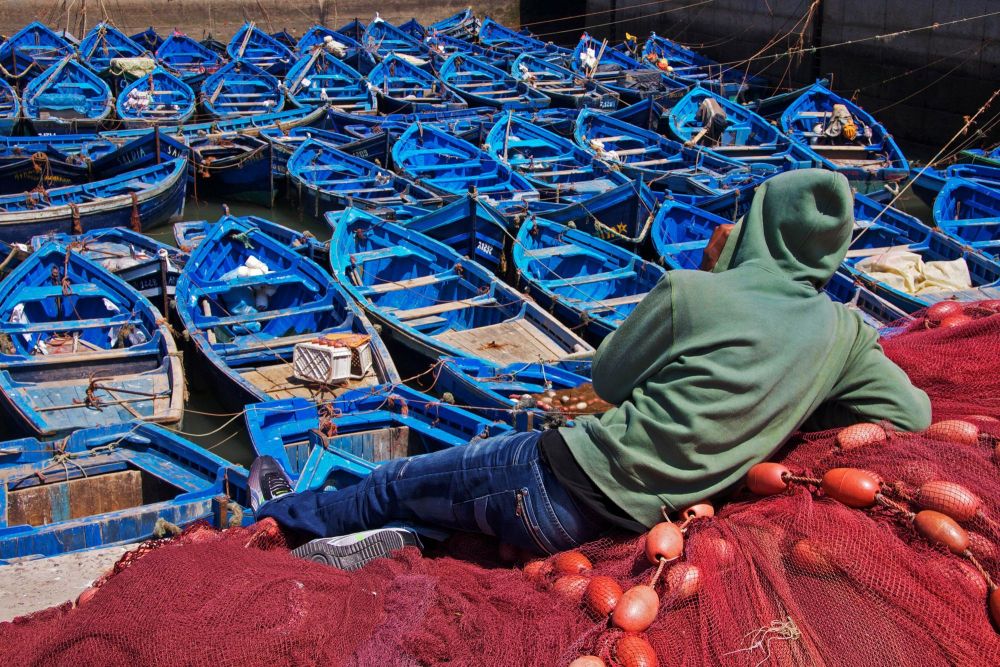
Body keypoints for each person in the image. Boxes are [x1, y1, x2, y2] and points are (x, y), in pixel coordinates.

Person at [249, 169, 932, 570]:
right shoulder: (844, 332)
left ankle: (279, 519)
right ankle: (401, 540)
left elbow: (607, 378)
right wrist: (792, 395)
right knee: (440, 505)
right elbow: (912, 414)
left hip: (551, 476)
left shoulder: (695, 292)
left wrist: (705, 276)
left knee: (392, 480)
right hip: (617, 522)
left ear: (757, 224)